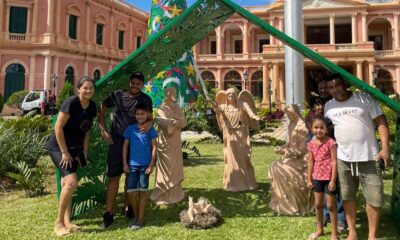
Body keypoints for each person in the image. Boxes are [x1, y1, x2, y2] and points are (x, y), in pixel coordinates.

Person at [324, 74, 390, 240]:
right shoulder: (328, 106)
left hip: (369, 157)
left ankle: (372, 235)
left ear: (344, 84)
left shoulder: (364, 98)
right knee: (347, 196)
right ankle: (352, 232)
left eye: (337, 85)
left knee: (374, 197)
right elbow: (328, 133)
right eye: (330, 87)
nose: (334, 90)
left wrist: (385, 148)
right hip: (343, 159)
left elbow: (381, 122)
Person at [99, 72, 153, 229]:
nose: (135, 86)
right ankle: (108, 213)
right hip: (116, 141)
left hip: (135, 145)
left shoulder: (145, 99)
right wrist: (103, 129)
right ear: (129, 82)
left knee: (131, 175)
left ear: (142, 85)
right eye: (133, 83)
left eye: (138, 84)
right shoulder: (118, 95)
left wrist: (150, 123)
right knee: (114, 177)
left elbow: (149, 117)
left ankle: (127, 208)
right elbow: (102, 106)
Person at [46, 77, 97, 236]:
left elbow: (86, 130)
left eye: (91, 88)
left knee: (66, 183)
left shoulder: (92, 106)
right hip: (58, 147)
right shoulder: (71, 103)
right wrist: (64, 152)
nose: (89, 91)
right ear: (79, 89)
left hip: (75, 148)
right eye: (85, 88)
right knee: (71, 182)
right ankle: (59, 223)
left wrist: (84, 150)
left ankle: (67, 221)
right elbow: (58, 127)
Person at [268, 104, 314, 215]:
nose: (288, 116)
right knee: (275, 166)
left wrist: (286, 152)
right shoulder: (291, 125)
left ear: (295, 113)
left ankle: (293, 202)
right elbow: (291, 143)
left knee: (280, 168)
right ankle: (283, 202)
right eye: (287, 114)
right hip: (293, 155)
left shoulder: (303, 127)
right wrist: (283, 147)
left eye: (290, 114)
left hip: (302, 158)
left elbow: (303, 150)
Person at [211, 88, 260, 192]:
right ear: (227, 97)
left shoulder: (242, 105)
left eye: (233, 95)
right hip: (230, 135)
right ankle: (232, 182)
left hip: (241, 133)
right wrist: (214, 105)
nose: (231, 97)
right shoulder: (224, 107)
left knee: (242, 157)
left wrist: (254, 116)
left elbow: (250, 112)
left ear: (236, 96)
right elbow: (217, 109)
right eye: (229, 96)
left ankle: (246, 182)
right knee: (232, 157)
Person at [122, 103, 157, 229]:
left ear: (147, 115)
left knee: (143, 193)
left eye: (142, 114)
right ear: (134, 115)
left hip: (145, 166)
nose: (140, 116)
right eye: (138, 114)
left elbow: (154, 147)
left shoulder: (150, 129)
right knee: (131, 193)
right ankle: (136, 217)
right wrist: (125, 163)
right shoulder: (130, 129)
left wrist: (151, 164)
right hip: (132, 166)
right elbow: (125, 146)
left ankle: (140, 220)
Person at [151, 87, 186, 204]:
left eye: (175, 92)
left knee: (175, 164)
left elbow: (184, 121)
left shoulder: (177, 107)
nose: (174, 94)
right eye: (172, 92)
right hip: (166, 141)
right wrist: (175, 121)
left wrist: (177, 122)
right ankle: (163, 193)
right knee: (167, 165)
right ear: (167, 93)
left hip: (175, 140)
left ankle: (176, 192)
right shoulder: (162, 108)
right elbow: (163, 122)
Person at [307, 115, 338, 240]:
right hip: (317, 178)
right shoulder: (311, 144)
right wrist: (309, 179)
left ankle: (334, 233)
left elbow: (334, 162)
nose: (318, 130)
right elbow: (310, 162)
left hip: (329, 179)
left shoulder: (331, 143)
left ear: (326, 129)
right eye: (316, 127)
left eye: (321, 128)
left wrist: (333, 180)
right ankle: (319, 230)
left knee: (331, 206)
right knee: (318, 205)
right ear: (311, 128)